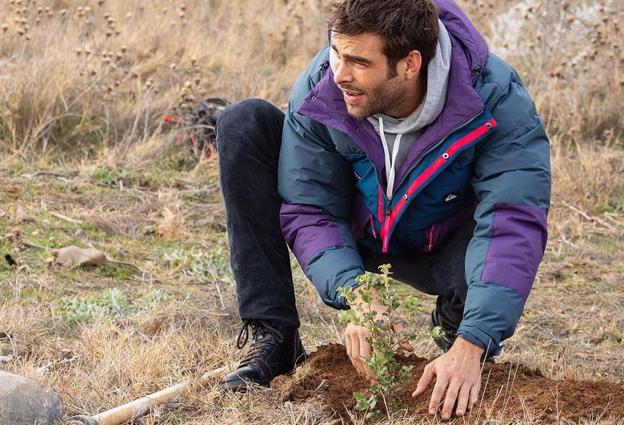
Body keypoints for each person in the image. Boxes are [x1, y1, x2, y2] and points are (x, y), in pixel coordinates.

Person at [216, 0, 550, 419]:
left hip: (442, 243)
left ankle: (457, 323)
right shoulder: (324, 84)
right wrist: (358, 291)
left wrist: (475, 341)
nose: (339, 73)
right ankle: (275, 336)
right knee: (243, 122)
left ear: (409, 64)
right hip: (363, 234)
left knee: (496, 232)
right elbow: (309, 207)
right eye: (337, 53)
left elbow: (512, 220)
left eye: (358, 61)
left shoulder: (495, 96)